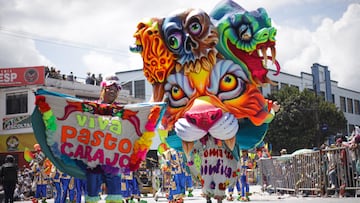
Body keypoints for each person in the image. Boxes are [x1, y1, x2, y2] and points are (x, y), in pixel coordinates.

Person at [85, 75, 123, 202]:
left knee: (115, 194)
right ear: (103, 89)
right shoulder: (91, 107)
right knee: (92, 195)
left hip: (113, 159)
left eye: (116, 88)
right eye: (109, 87)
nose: (112, 91)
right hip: (93, 157)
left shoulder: (122, 111)